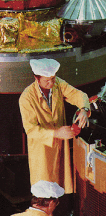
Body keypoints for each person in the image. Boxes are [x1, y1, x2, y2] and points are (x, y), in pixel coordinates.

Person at [19, 58, 90, 194]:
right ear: (36, 78)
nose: (51, 83)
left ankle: (62, 212)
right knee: (44, 191)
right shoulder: (26, 98)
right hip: (42, 149)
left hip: (60, 143)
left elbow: (77, 95)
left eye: (53, 78)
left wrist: (84, 109)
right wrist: (55, 133)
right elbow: (31, 130)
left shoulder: (58, 84)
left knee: (62, 186)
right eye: (47, 80)